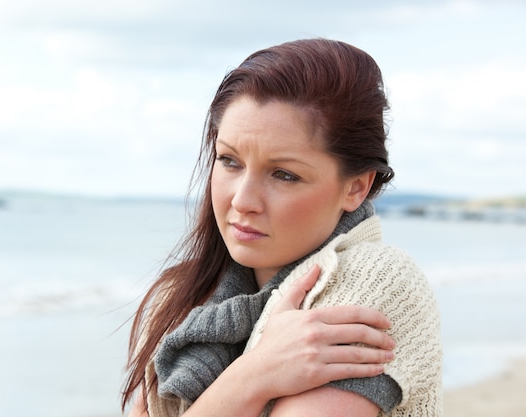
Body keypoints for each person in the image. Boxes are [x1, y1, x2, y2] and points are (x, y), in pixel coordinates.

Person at [122, 38, 442, 417]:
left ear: (356, 187)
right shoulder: (180, 299)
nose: (242, 200)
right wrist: (256, 374)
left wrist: (250, 379)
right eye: (229, 161)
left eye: (284, 174)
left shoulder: (377, 282)